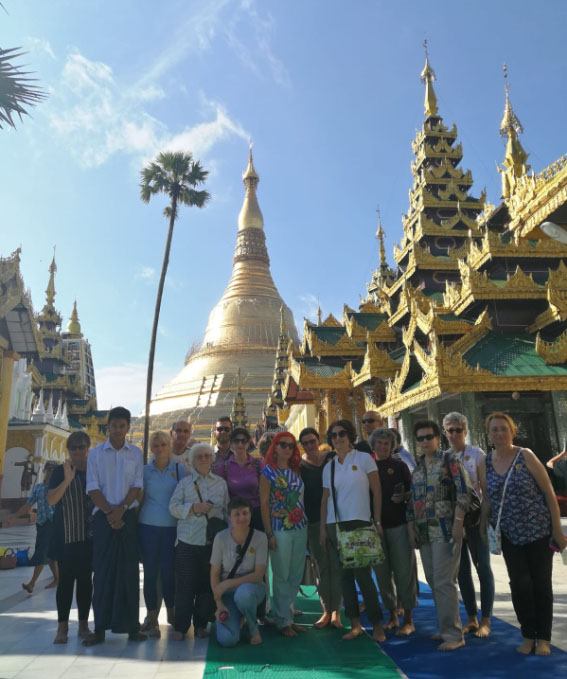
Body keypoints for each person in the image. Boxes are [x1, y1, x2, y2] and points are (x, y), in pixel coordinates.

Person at [480, 411, 567, 656]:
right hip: (509, 534)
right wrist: (483, 528)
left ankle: (544, 638)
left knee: (541, 584)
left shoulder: (525, 455)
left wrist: (557, 529)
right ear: (488, 434)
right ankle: (528, 634)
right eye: (494, 429)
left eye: (503, 428)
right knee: (519, 585)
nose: (499, 433)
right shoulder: (485, 462)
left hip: (538, 530)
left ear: (512, 431)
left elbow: (548, 492)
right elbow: (487, 499)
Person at [84, 406, 146, 646]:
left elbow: (137, 484)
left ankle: (132, 627)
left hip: (127, 517)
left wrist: (121, 509)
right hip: (104, 517)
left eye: (122, 425)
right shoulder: (96, 454)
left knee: (129, 573)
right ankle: (99, 628)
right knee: (102, 574)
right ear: (107, 427)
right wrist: (111, 512)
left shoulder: (135, 453)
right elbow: (92, 487)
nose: (118, 430)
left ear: (128, 427)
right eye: (114, 425)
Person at [407, 419, 471, 652]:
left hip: (445, 529)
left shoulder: (449, 460)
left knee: (444, 581)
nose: (425, 442)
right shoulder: (418, 467)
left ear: (438, 438)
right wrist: (411, 527)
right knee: (435, 581)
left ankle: (454, 634)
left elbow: (464, 492)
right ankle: (446, 627)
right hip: (425, 531)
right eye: (421, 438)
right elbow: (412, 501)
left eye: (429, 437)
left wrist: (458, 521)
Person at [320, 419, 385, 642]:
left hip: (360, 522)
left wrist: (376, 520)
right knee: (344, 578)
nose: (338, 439)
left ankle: (377, 625)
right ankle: (355, 624)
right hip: (336, 525)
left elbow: (376, 490)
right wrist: (322, 528)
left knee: (364, 577)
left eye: (342, 434)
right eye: (334, 435)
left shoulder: (364, 459)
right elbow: (325, 499)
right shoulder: (329, 466)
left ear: (350, 436)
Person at [169, 442, 229, 641]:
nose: (204, 459)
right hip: (187, 540)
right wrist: (194, 508)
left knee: (206, 586)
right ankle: (181, 626)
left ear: (212, 459)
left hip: (211, 543)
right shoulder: (185, 483)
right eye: (199, 456)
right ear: (193, 461)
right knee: (185, 586)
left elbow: (227, 511)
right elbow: (173, 507)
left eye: (207, 456)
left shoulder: (220, 483)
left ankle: (201, 624)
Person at [443, 412, 494, 638]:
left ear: (465, 431)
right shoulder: (443, 457)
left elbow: (485, 489)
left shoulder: (476, 454)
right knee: (461, 570)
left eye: (457, 430)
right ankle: (472, 617)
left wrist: (484, 521)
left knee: (482, 567)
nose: (453, 434)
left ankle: (486, 619)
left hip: (474, 518)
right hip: (453, 519)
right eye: (449, 430)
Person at [138, 430, 187, 637]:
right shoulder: (145, 471)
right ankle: (152, 618)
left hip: (171, 527)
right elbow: (139, 498)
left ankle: (172, 613)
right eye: (156, 446)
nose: (159, 449)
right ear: (151, 449)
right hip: (147, 526)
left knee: (169, 574)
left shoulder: (179, 469)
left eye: (163, 445)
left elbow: (186, 496)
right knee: (150, 574)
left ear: (169, 446)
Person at [47, 432, 94, 644]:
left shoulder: (94, 471)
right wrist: (67, 480)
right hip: (66, 535)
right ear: (68, 450)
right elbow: (51, 500)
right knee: (66, 582)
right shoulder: (60, 471)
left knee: (85, 582)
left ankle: (83, 624)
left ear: (88, 448)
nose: (77, 451)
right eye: (73, 447)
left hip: (89, 537)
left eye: (81, 446)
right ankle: (62, 627)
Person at [260, 431, 307, 637]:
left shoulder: (297, 470)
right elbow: (263, 504)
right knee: (281, 574)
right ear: (275, 447)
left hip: (299, 526)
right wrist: (269, 532)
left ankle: (288, 615)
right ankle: (282, 620)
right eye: (283, 445)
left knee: (296, 573)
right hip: (279, 528)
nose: (287, 449)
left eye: (291, 445)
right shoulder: (268, 472)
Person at [370, 427, 417, 636]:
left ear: (392, 446)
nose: (382, 447)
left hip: (398, 524)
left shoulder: (399, 467)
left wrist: (404, 496)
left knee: (403, 571)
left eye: (386, 444)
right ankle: (392, 614)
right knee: (382, 573)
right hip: (375, 528)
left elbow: (413, 492)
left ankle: (408, 618)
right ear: (373, 445)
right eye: (379, 443)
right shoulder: (366, 467)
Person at [298, 427, 341, 629]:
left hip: (336, 518)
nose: (309, 445)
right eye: (305, 443)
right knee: (321, 567)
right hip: (314, 522)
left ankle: (337, 612)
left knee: (337, 566)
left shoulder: (332, 458)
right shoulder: (299, 466)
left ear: (318, 440)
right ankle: (326, 610)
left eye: (312, 441)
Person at [211, 497, 268, 647]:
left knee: (243, 594)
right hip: (227, 593)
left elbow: (258, 575)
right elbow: (215, 573)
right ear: (230, 518)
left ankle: (252, 628)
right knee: (227, 640)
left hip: (252, 588)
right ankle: (237, 617)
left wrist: (229, 583)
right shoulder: (220, 538)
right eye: (237, 514)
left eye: (245, 513)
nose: (242, 517)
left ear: (250, 515)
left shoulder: (260, 538)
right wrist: (219, 605)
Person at [18, 461, 59, 593]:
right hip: (41, 524)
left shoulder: (59, 487)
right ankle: (57, 579)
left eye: (53, 470)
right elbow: (29, 504)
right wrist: (16, 515)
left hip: (53, 524)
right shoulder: (39, 488)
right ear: (45, 471)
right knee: (50, 554)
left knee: (42, 552)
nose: (50, 472)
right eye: (49, 469)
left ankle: (32, 583)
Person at [214, 427, 264, 531]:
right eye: (236, 441)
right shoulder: (223, 467)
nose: (240, 444)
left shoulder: (258, 464)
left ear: (248, 443)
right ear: (231, 443)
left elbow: (264, 491)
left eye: (243, 441)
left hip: (256, 514)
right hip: (235, 515)